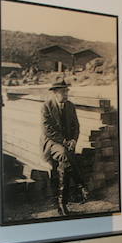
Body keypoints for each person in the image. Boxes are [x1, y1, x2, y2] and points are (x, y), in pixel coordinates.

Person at [41, 79, 89, 216]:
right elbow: (47, 130)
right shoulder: (46, 106)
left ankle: (62, 204)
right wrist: (64, 141)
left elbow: (76, 126)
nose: (66, 95)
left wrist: (74, 140)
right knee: (64, 154)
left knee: (65, 163)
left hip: (67, 144)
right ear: (55, 93)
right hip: (51, 143)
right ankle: (81, 185)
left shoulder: (70, 106)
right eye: (63, 92)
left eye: (67, 91)